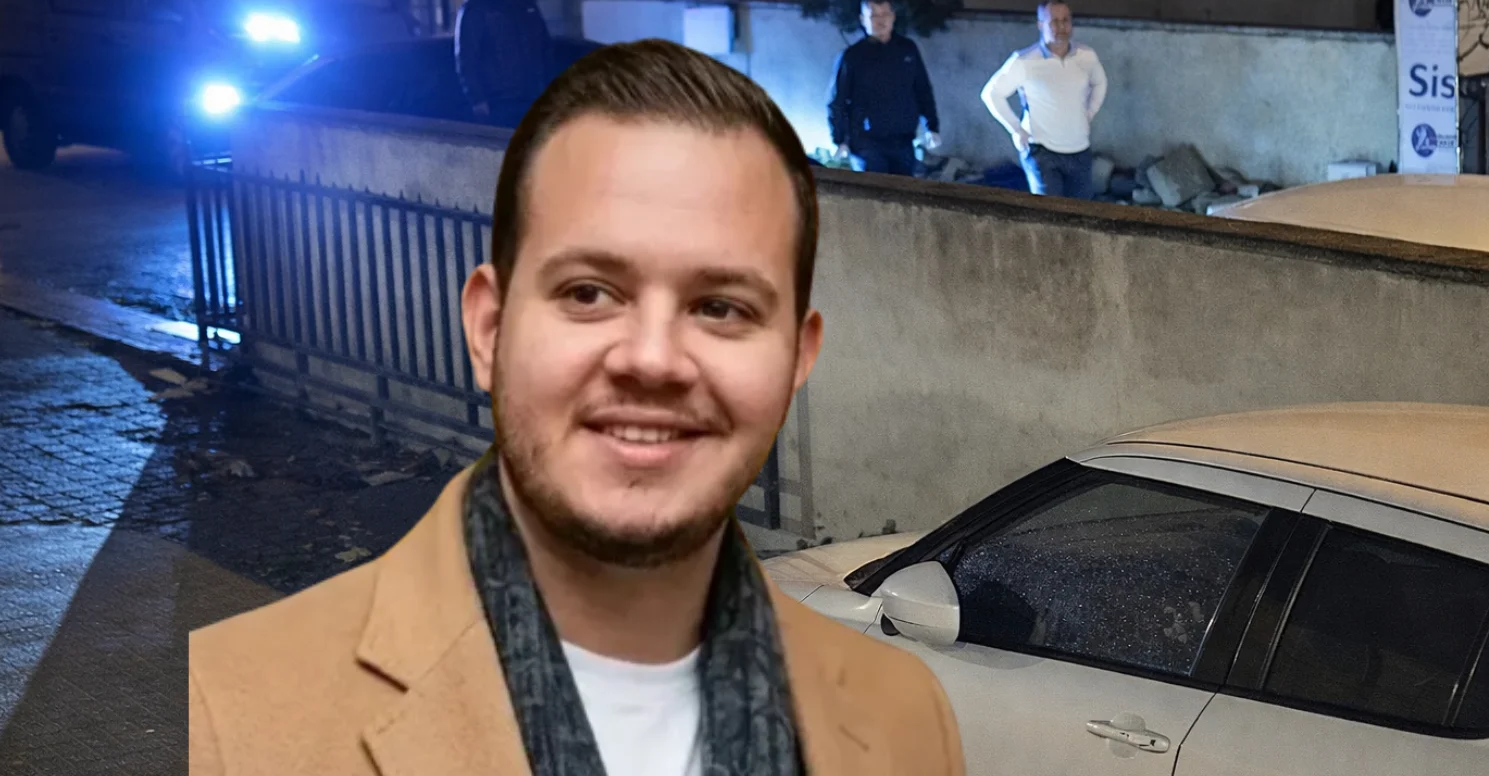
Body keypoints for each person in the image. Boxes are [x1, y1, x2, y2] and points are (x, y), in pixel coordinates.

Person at [188, 39, 965, 776]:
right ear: (489, 330)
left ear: (797, 357)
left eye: (721, 306)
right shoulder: (254, 715)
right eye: (589, 292)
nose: (653, 360)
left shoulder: (902, 715)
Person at [980, 0, 1108, 199]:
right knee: (1048, 212)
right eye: (1054, 21)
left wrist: (1089, 113)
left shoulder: (1086, 57)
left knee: (1081, 212)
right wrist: (1016, 129)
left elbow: (1100, 83)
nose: (1061, 27)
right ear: (1040, 25)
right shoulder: (1025, 61)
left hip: (1079, 149)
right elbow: (991, 94)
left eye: (1065, 20)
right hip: (1042, 151)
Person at [827, 0, 941, 176]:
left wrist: (931, 126)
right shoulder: (852, 57)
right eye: (874, 16)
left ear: (893, 16)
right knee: (872, 192)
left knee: (903, 191)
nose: (881, 21)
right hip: (866, 143)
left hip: (903, 141)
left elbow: (922, 89)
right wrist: (839, 139)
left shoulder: (907, 50)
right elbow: (837, 100)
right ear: (863, 20)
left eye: (885, 14)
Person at [455, 0, 552, 128]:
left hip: (531, 96)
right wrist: (477, 98)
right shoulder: (477, 7)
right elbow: (467, 55)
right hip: (498, 101)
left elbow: (543, 45)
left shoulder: (525, 3)